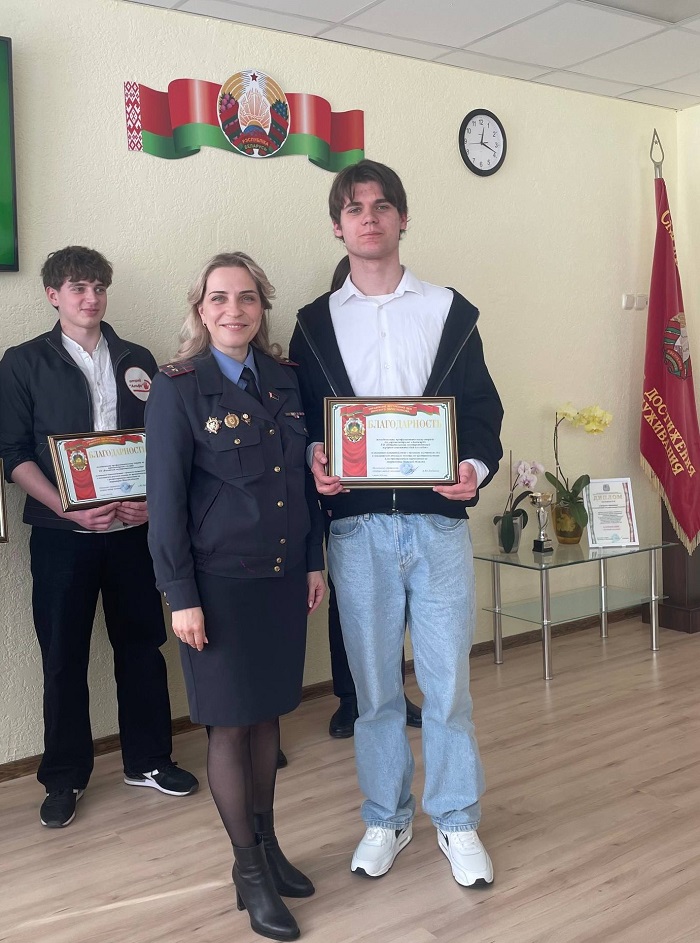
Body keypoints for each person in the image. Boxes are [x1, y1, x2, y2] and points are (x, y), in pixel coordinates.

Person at [290, 160, 503, 887]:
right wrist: (317, 457)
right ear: (338, 225)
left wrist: (473, 467)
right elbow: (304, 421)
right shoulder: (314, 323)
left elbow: (483, 413)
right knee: (375, 691)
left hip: (437, 529)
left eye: (382, 206)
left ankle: (457, 820)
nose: (369, 218)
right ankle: (387, 815)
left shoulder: (450, 311)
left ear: (402, 218)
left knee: (447, 688)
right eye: (355, 208)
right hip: (357, 534)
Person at [145, 252, 325, 942]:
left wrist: (312, 562)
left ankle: (269, 847)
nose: (234, 309)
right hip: (217, 585)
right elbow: (166, 504)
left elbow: (303, 483)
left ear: (261, 307)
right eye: (219, 298)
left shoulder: (284, 379)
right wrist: (180, 595)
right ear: (201, 309)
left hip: (281, 576)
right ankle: (248, 873)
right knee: (228, 725)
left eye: (246, 297)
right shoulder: (178, 388)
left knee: (268, 716)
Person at [0, 246, 199, 830]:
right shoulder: (23, 362)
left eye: (98, 288)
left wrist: (152, 503)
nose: (91, 298)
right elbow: (12, 454)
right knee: (63, 655)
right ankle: (63, 777)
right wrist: (66, 508)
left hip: (133, 531)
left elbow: (163, 444)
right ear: (53, 296)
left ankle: (150, 760)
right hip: (61, 536)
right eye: (78, 288)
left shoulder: (139, 359)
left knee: (143, 645)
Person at [327, 255, 422, 739]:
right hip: (348, 505)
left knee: (398, 612)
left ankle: (392, 695)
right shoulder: (319, 327)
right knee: (350, 614)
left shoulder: (429, 317)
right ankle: (351, 699)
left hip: (417, 503)